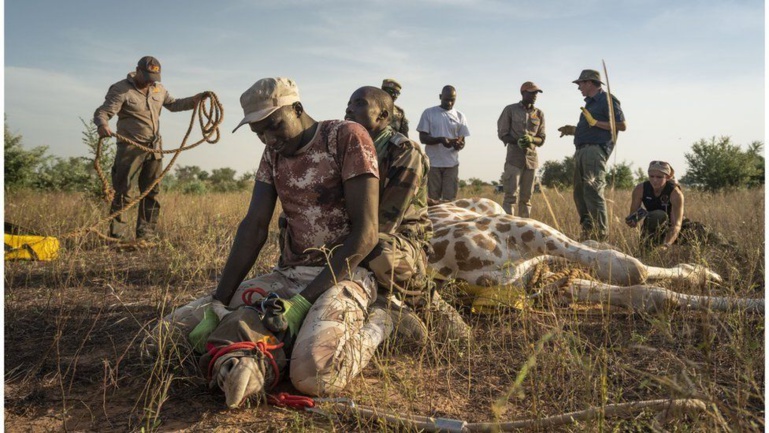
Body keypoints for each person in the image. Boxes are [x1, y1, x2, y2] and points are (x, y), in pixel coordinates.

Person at [164, 77, 391, 397]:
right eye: (259, 133)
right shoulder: (274, 154)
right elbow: (254, 227)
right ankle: (255, 354)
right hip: (290, 275)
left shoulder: (345, 137)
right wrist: (218, 302)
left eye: (274, 126)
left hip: (345, 274)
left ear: (296, 108)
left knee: (314, 376)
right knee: (165, 339)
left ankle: (380, 322)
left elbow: (366, 234)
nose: (268, 138)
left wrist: (300, 305)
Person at [345, 86, 470, 343]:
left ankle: (426, 302)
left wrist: (342, 246)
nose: (349, 109)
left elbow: (385, 222)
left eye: (359, 104)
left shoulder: (405, 152)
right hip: (355, 231)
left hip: (400, 238)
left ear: (382, 117)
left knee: (379, 251)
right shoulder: (347, 149)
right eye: (348, 104)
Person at [94, 56, 203, 240]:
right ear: (137, 70)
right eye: (148, 76)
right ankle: (116, 237)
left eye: (154, 77)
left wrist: (195, 100)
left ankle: (146, 235)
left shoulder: (159, 89)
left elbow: (173, 104)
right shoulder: (121, 89)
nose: (151, 80)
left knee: (151, 192)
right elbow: (103, 111)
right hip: (130, 148)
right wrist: (102, 124)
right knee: (123, 192)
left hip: (155, 148)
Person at [558, 69, 626, 241]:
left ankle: (600, 235)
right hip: (582, 150)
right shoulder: (590, 104)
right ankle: (588, 233)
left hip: (595, 151)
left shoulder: (607, 99)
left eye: (580, 83)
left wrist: (595, 122)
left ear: (589, 82)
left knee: (593, 191)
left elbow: (621, 125)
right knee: (580, 193)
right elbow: (592, 129)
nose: (578, 87)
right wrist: (573, 130)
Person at [625, 160, 734, 251]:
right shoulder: (640, 189)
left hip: (676, 226)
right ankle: (647, 250)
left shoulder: (675, 193)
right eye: (651, 176)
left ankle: (733, 250)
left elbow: (676, 225)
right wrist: (632, 221)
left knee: (710, 238)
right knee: (657, 215)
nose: (654, 180)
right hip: (654, 226)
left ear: (667, 177)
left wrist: (666, 245)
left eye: (659, 177)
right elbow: (633, 218)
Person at [496, 81, 546, 217]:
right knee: (510, 197)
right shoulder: (510, 110)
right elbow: (502, 134)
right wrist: (517, 141)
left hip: (531, 160)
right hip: (514, 159)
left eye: (536, 93)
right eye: (532, 92)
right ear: (523, 93)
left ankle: (525, 228)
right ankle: (508, 229)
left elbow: (541, 138)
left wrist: (531, 140)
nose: (535, 95)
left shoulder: (539, 114)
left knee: (526, 199)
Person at [417, 85, 471, 202]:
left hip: (451, 164)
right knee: (432, 199)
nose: (450, 103)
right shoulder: (429, 113)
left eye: (452, 100)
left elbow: (462, 141)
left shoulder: (460, 116)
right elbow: (423, 138)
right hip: (433, 164)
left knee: (450, 201)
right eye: (447, 99)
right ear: (440, 97)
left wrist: (459, 145)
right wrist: (440, 140)